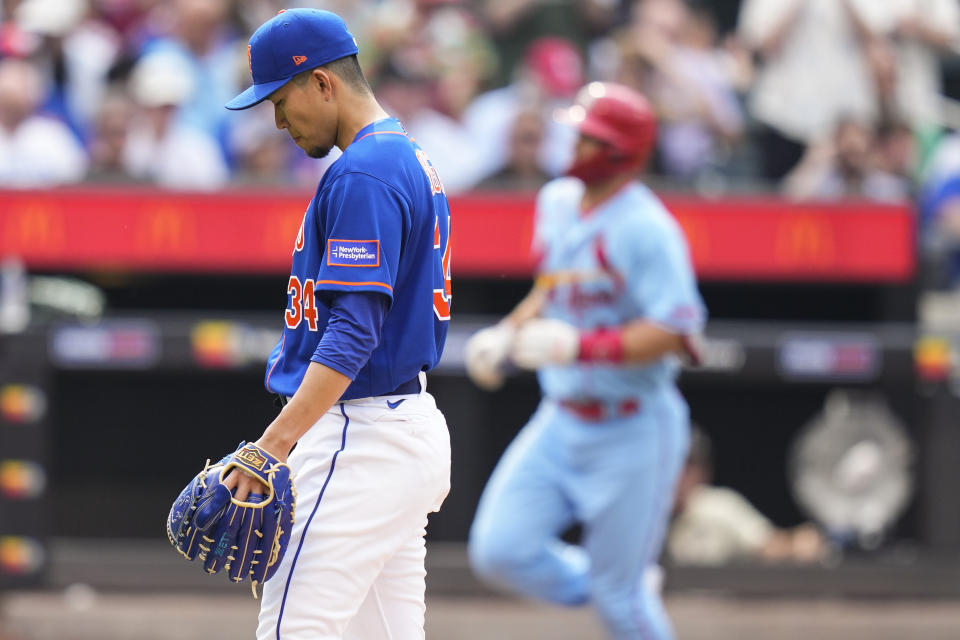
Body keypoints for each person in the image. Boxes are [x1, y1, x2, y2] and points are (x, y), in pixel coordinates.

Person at [221, 9, 452, 639]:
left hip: (360, 436)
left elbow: (353, 332)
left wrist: (271, 447)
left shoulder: (365, 171)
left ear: (322, 83)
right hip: (395, 432)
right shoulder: (401, 157)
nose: (276, 120)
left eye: (280, 98)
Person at [465, 82, 707, 640]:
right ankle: (615, 582)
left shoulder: (648, 228)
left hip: (634, 425)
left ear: (620, 152)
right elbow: (554, 286)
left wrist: (580, 347)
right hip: (562, 416)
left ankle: (620, 587)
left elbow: (677, 329)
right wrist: (510, 331)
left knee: (620, 606)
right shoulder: (555, 201)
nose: (572, 143)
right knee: (500, 551)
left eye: (588, 138)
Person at [667, 426, 827, 566]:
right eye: (673, 465)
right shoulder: (649, 509)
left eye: (688, 467)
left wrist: (795, 543)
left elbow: (768, 545)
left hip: (713, 597)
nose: (679, 476)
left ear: (703, 471)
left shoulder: (716, 506)